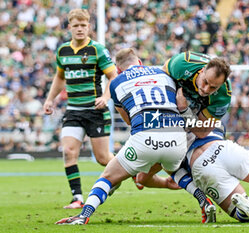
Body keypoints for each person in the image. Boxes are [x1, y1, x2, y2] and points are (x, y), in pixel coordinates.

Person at [55, 48, 188, 225]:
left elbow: (129, 121)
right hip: (176, 136)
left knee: (108, 175)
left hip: (143, 138)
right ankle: (204, 200)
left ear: (118, 69)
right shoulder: (162, 73)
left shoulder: (117, 80)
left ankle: (83, 214)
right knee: (178, 171)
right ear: (139, 62)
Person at [134, 51, 233, 223]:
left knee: (177, 155)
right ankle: (181, 181)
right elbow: (160, 81)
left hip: (196, 124)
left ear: (222, 85)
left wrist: (184, 110)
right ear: (202, 71)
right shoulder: (183, 63)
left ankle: (203, 190)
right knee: (142, 178)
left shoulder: (224, 94)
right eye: (205, 82)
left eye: (213, 88)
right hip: (170, 115)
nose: (205, 89)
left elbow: (201, 130)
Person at [43, 9, 117, 209]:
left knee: (103, 159)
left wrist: (106, 96)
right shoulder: (63, 51)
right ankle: (77, 198)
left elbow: (113, 76)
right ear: (70, 27)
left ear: (88, 27)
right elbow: (60, 77)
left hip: (95, 111)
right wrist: (50, 99)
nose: (80, 29)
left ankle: (122, 171)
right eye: (76, 25)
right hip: (74, 110)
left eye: (83, 25)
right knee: (68, 151)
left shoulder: (97, 50)